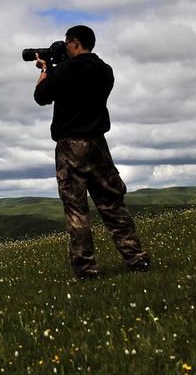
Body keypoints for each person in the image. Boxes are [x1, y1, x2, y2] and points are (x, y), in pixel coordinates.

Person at [33, 25, 150, 280]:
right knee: (112, 204)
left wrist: (45, 69)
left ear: (74, 42)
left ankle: (86, 271)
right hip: (98, 144)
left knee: (77, 210)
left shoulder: (62, 71)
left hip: (70, 145)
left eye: (66, 43)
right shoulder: (105, 71)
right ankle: (137, 259)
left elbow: (41, 96)